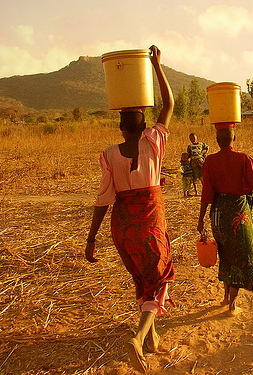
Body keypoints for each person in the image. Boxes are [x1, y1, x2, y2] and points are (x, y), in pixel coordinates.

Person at [84, 45, 174, 373]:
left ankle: (152, 337)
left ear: (121, 127)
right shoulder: (152, 142)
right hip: (149, 225)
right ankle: (138, 337)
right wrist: (157, 66)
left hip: (122, 228)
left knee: (142, 277)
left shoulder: (109, 154)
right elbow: (170, 104)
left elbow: (102, 199)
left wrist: (91, 239)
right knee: (160, 277)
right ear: (145, 123)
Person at [196, 125, 253, 316]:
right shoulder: (244, 160)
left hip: (218, 216)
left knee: (225, 255)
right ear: (234, 138)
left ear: (216, 140)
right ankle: (232, 305)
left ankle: (225, 298)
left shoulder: (210, 162)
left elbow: (206, 195)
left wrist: (201, 219)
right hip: (239, 216)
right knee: (240, 255)